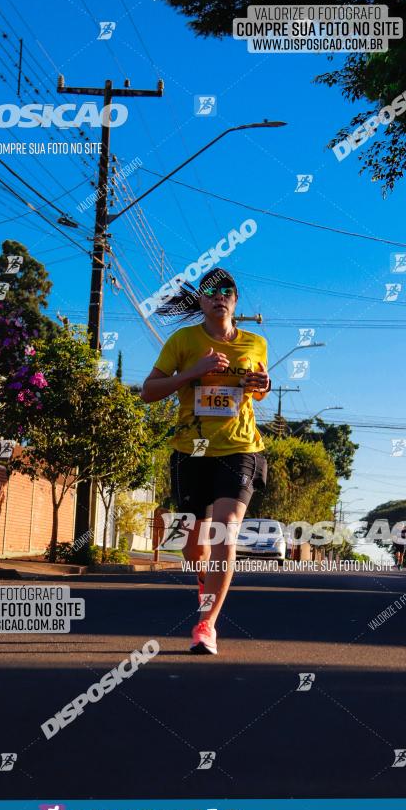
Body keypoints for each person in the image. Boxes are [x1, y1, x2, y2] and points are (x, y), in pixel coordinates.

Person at [140, 268, 271, 655]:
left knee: (226, 530)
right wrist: (192, 373)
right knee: (194, 547)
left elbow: (259, 389)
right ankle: (204, 582)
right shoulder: (182, 341)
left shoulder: (256, 342)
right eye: (211, 292)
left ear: (235, 300)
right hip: (192, 449)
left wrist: (262, 386)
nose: (219, 297)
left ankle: (206, 625)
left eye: (227, 291)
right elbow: (148, 391)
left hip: (240, 447)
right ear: (201, 300)